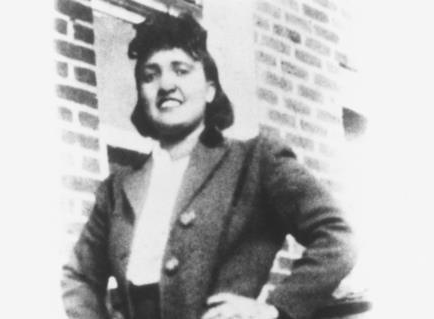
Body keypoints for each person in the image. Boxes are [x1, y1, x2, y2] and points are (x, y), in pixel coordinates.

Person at [61, 12, 356, 319]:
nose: (166, 84)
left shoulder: (256, 161)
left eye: (181, 70)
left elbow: (337, 237)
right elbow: (77, 277)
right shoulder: (116, 190)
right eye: (150, 75)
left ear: (211, 90)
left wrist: (275, 310)